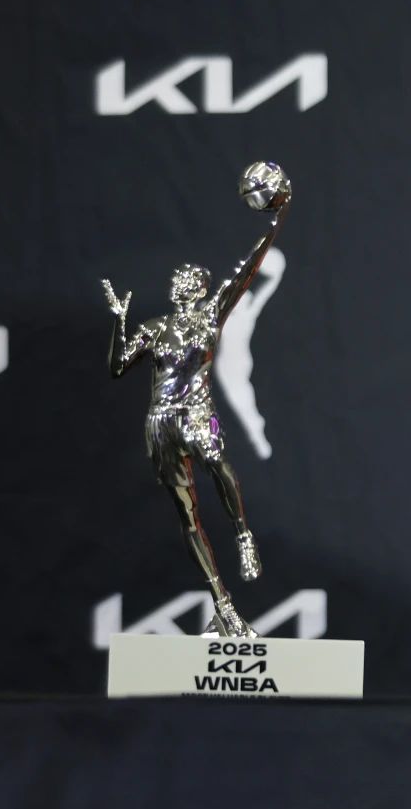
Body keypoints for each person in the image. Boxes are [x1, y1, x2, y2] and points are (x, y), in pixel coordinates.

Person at [101, 209, 284, 638]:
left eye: (188, 280)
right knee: (188, 516)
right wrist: (118, 320)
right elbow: (117, 367)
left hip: (199, 415)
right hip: (160, 424)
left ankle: (243, 536)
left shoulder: (211, 316)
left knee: (218, 463)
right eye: (176, 280)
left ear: (201, 289)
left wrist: (274, 224)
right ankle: (223, 605)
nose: (179, 284)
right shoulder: (155, 327)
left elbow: (245, 271)